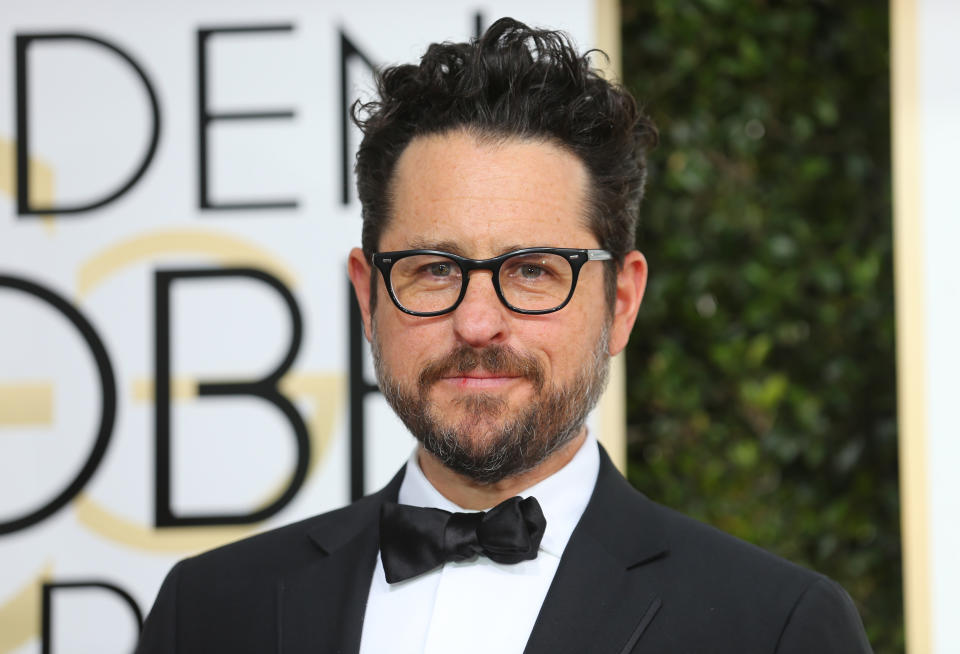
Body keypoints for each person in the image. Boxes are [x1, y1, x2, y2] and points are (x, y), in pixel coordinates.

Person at [135, 17, 872, 653]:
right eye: (432, 269)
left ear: (620, 301)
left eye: (531, 272)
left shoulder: (773, 628)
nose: (478, 323)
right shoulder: (208, 612)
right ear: (368, 297)